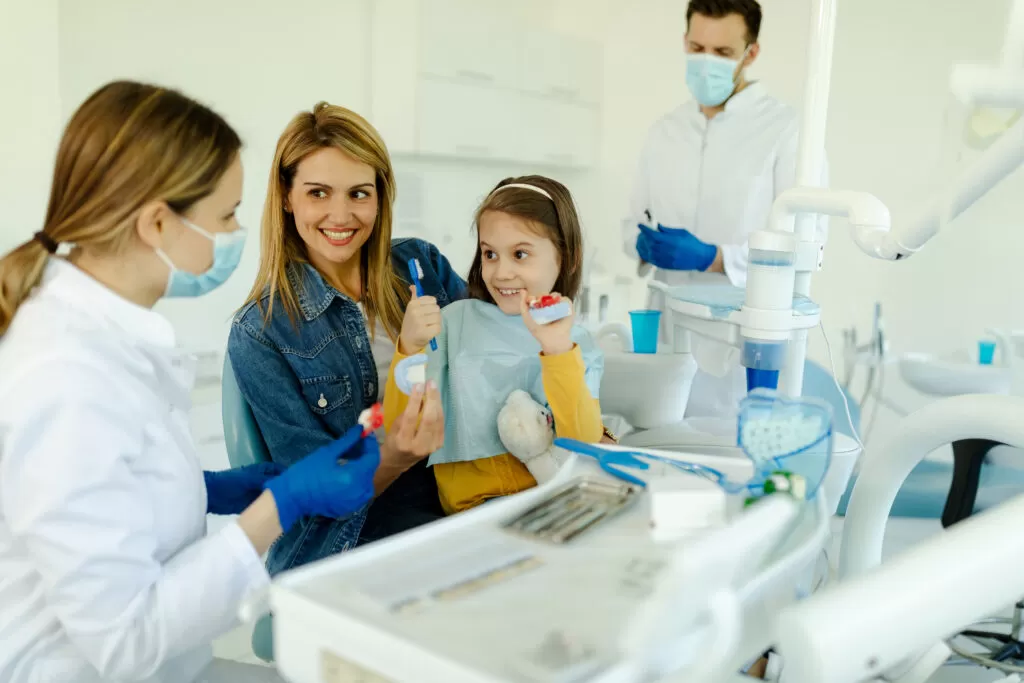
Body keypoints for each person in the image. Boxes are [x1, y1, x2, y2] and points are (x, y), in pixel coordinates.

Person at [0, 81, 381, 683]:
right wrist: (282, 505)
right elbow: (127, 642)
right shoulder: (66, 379)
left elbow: (98, 490)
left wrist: (203, 490)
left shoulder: (98, 334)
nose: (235, 231)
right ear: (157, 223)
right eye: (226, 215)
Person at [228, 102, 465, 575]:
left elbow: (494, 358)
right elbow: (316, 500)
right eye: (318, 192)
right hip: (347, 542)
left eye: (359, 193)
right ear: (287, 197)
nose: (341, 215)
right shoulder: (261, 332)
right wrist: (395, 457)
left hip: (455, 500)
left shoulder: (422, 267)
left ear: (380, 197)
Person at [622, 0, 827, 419]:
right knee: (657, 434)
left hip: (738, 346)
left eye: (722, 52)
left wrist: (714, 258)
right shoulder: (665, 131)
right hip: (666, 331)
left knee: (728, 442)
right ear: (684, 42)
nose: (706, 62)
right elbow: (631, 224)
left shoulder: (786, 132)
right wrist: (643, 246)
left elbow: (808, 248)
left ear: (750, 53)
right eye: (698, 48)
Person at [384, 176, 606, 514]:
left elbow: (583, 443)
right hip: (473, 511)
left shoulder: (576, 343)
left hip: (550, 503)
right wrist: (409, 347)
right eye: (490, 254)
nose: (501, 272)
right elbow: (401, 426)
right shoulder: (453, 322)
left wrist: (557, 350)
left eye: (520, 254)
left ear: (567, 257)